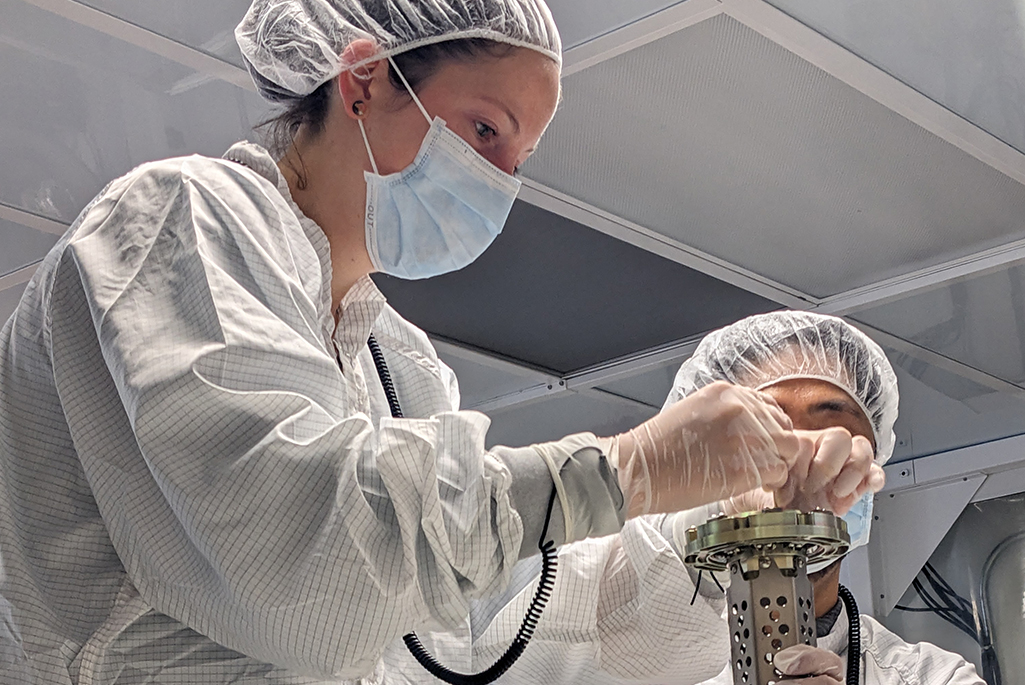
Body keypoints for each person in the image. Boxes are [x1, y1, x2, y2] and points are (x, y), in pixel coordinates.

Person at [0, 2, 860, 683]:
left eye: (517, 158)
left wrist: (724, 521)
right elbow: (300, 568)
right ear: (363, 80)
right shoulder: (184, 220)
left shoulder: (397, 362)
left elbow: (491, 631)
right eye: (485, 130)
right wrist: (629, 467)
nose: (498, 180)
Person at [467, 312, 983, 684]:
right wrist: (720, 524)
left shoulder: (928, 677)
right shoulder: (619, 644)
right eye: (767, 433)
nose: (802, 459)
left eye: (832, 433)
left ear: (870, 465)